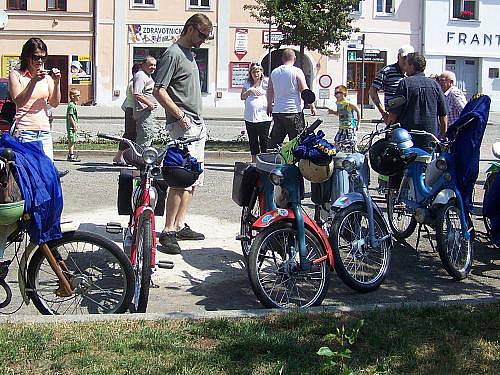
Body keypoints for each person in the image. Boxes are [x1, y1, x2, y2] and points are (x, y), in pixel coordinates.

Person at [153, 13, 213, 254]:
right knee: (179, 179)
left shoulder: (189, 54)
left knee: (193, 179)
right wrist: (180, 116)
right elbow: (159, 90)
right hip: (183, 126)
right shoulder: (173, 53)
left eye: (207, 37)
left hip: (196, 125)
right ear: (190, 29)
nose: (203, 40)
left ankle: (179, 225)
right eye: (201, 35)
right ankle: (167, 231)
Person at [8, 37, 61, 161]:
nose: (40, 61)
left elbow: (54, 103)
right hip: (25, 131)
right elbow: (19, 101)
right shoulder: (16, 75)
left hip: (44, 130)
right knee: (29, 172)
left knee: (47, 171)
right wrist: (33, 81)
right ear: (27, 57)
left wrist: (57, 82)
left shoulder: (46, 78)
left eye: (43, 57)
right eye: (36, 57)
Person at [387, 53, 448, 150]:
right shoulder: (435, 85)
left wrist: (388, 129)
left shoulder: (405, 83)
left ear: (412, 66)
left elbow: (394, 112)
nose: (405, 68)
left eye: (406, 64)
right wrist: (442, 136)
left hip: (407, 139)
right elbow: (443, 115)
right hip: (430, 138)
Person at [267, 48, 316, 149]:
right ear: (294, 58)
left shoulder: (274, 72)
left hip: (278, 111)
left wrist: (269, 105)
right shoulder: (296, 71)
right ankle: (296, 163)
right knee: (297, 142)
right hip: (293, 111)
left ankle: (271, 161)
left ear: (282, 59)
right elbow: (304, 90)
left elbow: (270, 90)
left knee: (275, 141)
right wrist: (312, 105)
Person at [369, 44, 414, 123]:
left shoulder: (414, 73)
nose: (405, 60)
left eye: (408, 58)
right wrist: (383, 113)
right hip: (393, 117)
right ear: (398, 57)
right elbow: (372, 91)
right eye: (403, 57)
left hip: (410, 116)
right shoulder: (388, 71)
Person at [241, 63, 272, 162]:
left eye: (258, 71)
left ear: (261, 72)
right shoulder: (247, 83)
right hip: (250, 116)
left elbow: (273, 93)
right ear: (250, 73)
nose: (256, 74)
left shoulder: (266, 82)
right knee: (253, 139)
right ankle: (254, 160)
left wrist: (272, 104)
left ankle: (264, 160)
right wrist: (248, 92)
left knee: (264, 139)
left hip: (264, 116)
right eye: (254, 72)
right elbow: (242, 97)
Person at [113, 62, 142, 165]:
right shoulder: (134, 82)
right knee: (130, 135)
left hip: (131, 109)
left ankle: (123, 157)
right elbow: (136, 98)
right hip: (133, 110)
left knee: (131, 135)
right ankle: (119, 157)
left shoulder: (133, 81)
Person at [133, 56, 157, 147]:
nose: (153, 67)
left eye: (155, 65)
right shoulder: (141, 75)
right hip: (143, 111)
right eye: (150, 65)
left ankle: (144, 157)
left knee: (148, 135)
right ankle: (142, 158)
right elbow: (137, 94)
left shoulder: (147, 75)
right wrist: (150, 103)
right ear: (143, 65)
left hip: (147, 111)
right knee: (145, 136)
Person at [65, 88, 80, 162]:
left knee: (73, 140)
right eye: (77, 95)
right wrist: (74, 125)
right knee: (72, 141)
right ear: (72, 96)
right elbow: (70, 116)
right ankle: (71, 155)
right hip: (71, 126)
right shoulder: (71, 105)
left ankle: (71, 154)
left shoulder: (73, 105)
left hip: (72, 126)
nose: (79, 97)